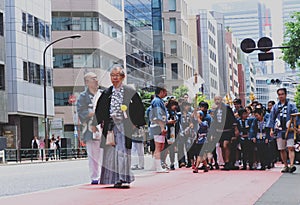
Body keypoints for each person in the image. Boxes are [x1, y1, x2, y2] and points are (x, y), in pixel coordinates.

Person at [93, 64, 146, 188]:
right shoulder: (106, 92)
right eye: (112, 75)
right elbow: (99, 109)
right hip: (111, 126)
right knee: (111, 153)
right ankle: (113, 178)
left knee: (123, 152)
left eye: (117, 75)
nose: (114, 78)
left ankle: (123, 178)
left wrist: (134, 124)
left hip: (124, 124)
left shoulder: (130, 91)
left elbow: (139, 109)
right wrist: (97, 123)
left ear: (122, 77)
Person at [77, 72, 103, 185]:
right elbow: (80, 112)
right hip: (90, 128)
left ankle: (104, 174)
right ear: (87, 82)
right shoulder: (83, 97)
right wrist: (91, 114)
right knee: (92, 155)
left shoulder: (102, 94)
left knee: (104, 154)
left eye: (96, 78)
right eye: (93, 78)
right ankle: (95, 176)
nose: (96, 80)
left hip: (103, 127)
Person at [267, 88, 300, 173]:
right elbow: (272, 118)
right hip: (279, 130)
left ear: (285, 95)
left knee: (290, 147)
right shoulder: (275, 107)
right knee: (281, 149)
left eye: (282, 94)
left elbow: (296, 117)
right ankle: (285, 165)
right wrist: (271, 129)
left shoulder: (291, 105)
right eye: (279, 94)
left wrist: (298, 127)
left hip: (290, 129)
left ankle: (291, 165)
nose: (281, 96)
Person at [210, 96, 238, 170]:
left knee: (226, 145)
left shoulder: (227, 108)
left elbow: (233, 119)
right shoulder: (215, 110)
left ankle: (228, 162)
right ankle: (225, 162)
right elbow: (214, 122)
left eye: (218, 99)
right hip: (219, 131)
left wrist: (235, 129)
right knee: (222, 146)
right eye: (215, 99)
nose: (217, 101)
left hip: (227, 130)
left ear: (221, 100)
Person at [149, 83, 169, 173]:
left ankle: (155, 165)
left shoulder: (158, 100)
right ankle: (158, 167)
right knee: (158, 147)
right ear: (161, 92)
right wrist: (162, 127)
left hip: (157, 125)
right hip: (157, 126)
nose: (166, 93)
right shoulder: (157, 101)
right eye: (165, 91)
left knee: (160, 146)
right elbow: (158, 115)